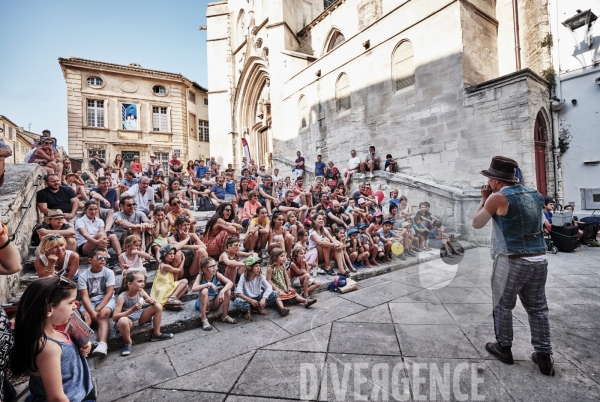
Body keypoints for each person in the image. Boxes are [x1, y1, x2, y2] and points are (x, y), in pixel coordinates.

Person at [472, 156, 554, 376]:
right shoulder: (535, 194)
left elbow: (477, 223)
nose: (488, 182)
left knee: (502, 305)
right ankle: (544, 356)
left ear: (495, 180)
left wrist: (483, 199)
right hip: (539, 258)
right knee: (538, 308)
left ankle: (504, 347)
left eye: (489, 178)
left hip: (511, 259)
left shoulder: (497, 197)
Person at [11, 277, 94, 401]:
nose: (75, 307)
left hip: (80, 392)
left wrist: (81, 348)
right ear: (49, 309)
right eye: (70, 302)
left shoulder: (52, 333)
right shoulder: (48, 348)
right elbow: (56, 398)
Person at [113, 272, 173, 356]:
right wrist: (132, 310)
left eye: (143, 281)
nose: (143, 284)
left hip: (140, 318)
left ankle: (157, 334)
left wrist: (152, 302)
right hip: (128, 321)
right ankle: (128, 343)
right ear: (130, 283)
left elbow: (152, 301)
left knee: (158, 306)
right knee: (122, 320)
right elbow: (115, 317)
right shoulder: (122, 297)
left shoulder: (141, 291)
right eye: (140, 281)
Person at [78, 248, 115, 357]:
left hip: (105, 300)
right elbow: (84, 297)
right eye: (99, 257)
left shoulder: (109, 272)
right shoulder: (83, 276)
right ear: (90, 260)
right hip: (89, 301)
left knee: (103, 315)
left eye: (105, 257)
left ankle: (103, 344)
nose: (103, 260)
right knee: (86, 318)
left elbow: (109, 293)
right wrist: (91, 311)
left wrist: (97, 310)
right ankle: (82, 344)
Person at [192, 257, 237, 331]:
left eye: (215, 265)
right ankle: (203, 318)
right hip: (203, 303)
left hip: (214, 302)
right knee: (204, 290)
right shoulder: (201, 276)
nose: (214, 268)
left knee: (227, 291)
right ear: (204, 269)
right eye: (211, 266)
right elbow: (193, 289)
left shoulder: (216, 274)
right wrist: (208, 284)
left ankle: (224, 316)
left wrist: (222, 291)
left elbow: (230, 283)